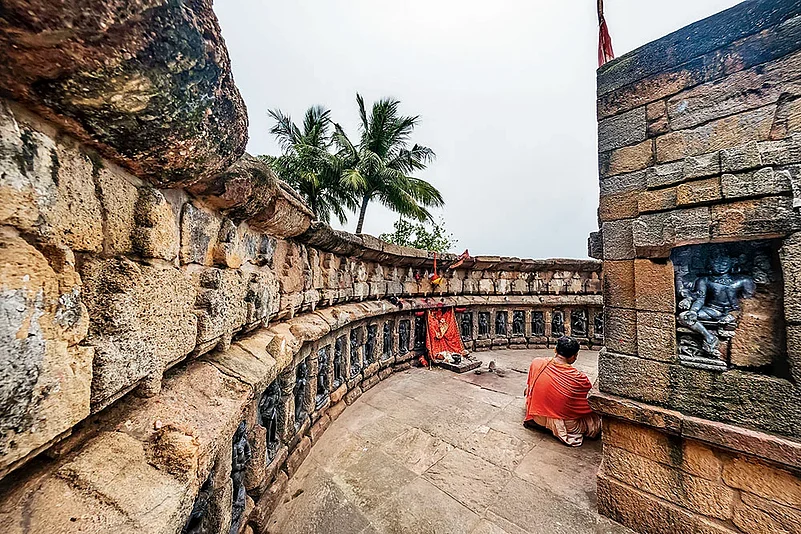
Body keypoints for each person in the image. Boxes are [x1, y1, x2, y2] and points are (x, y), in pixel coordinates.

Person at [523, 336, 600, 447]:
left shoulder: (537, 363)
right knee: (595, 422)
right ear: (574, 356)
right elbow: (588, 405)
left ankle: (543, 424)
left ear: (555, 350)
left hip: (537, 416)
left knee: (528, 392)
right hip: (565, 425)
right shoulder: (579, 378)